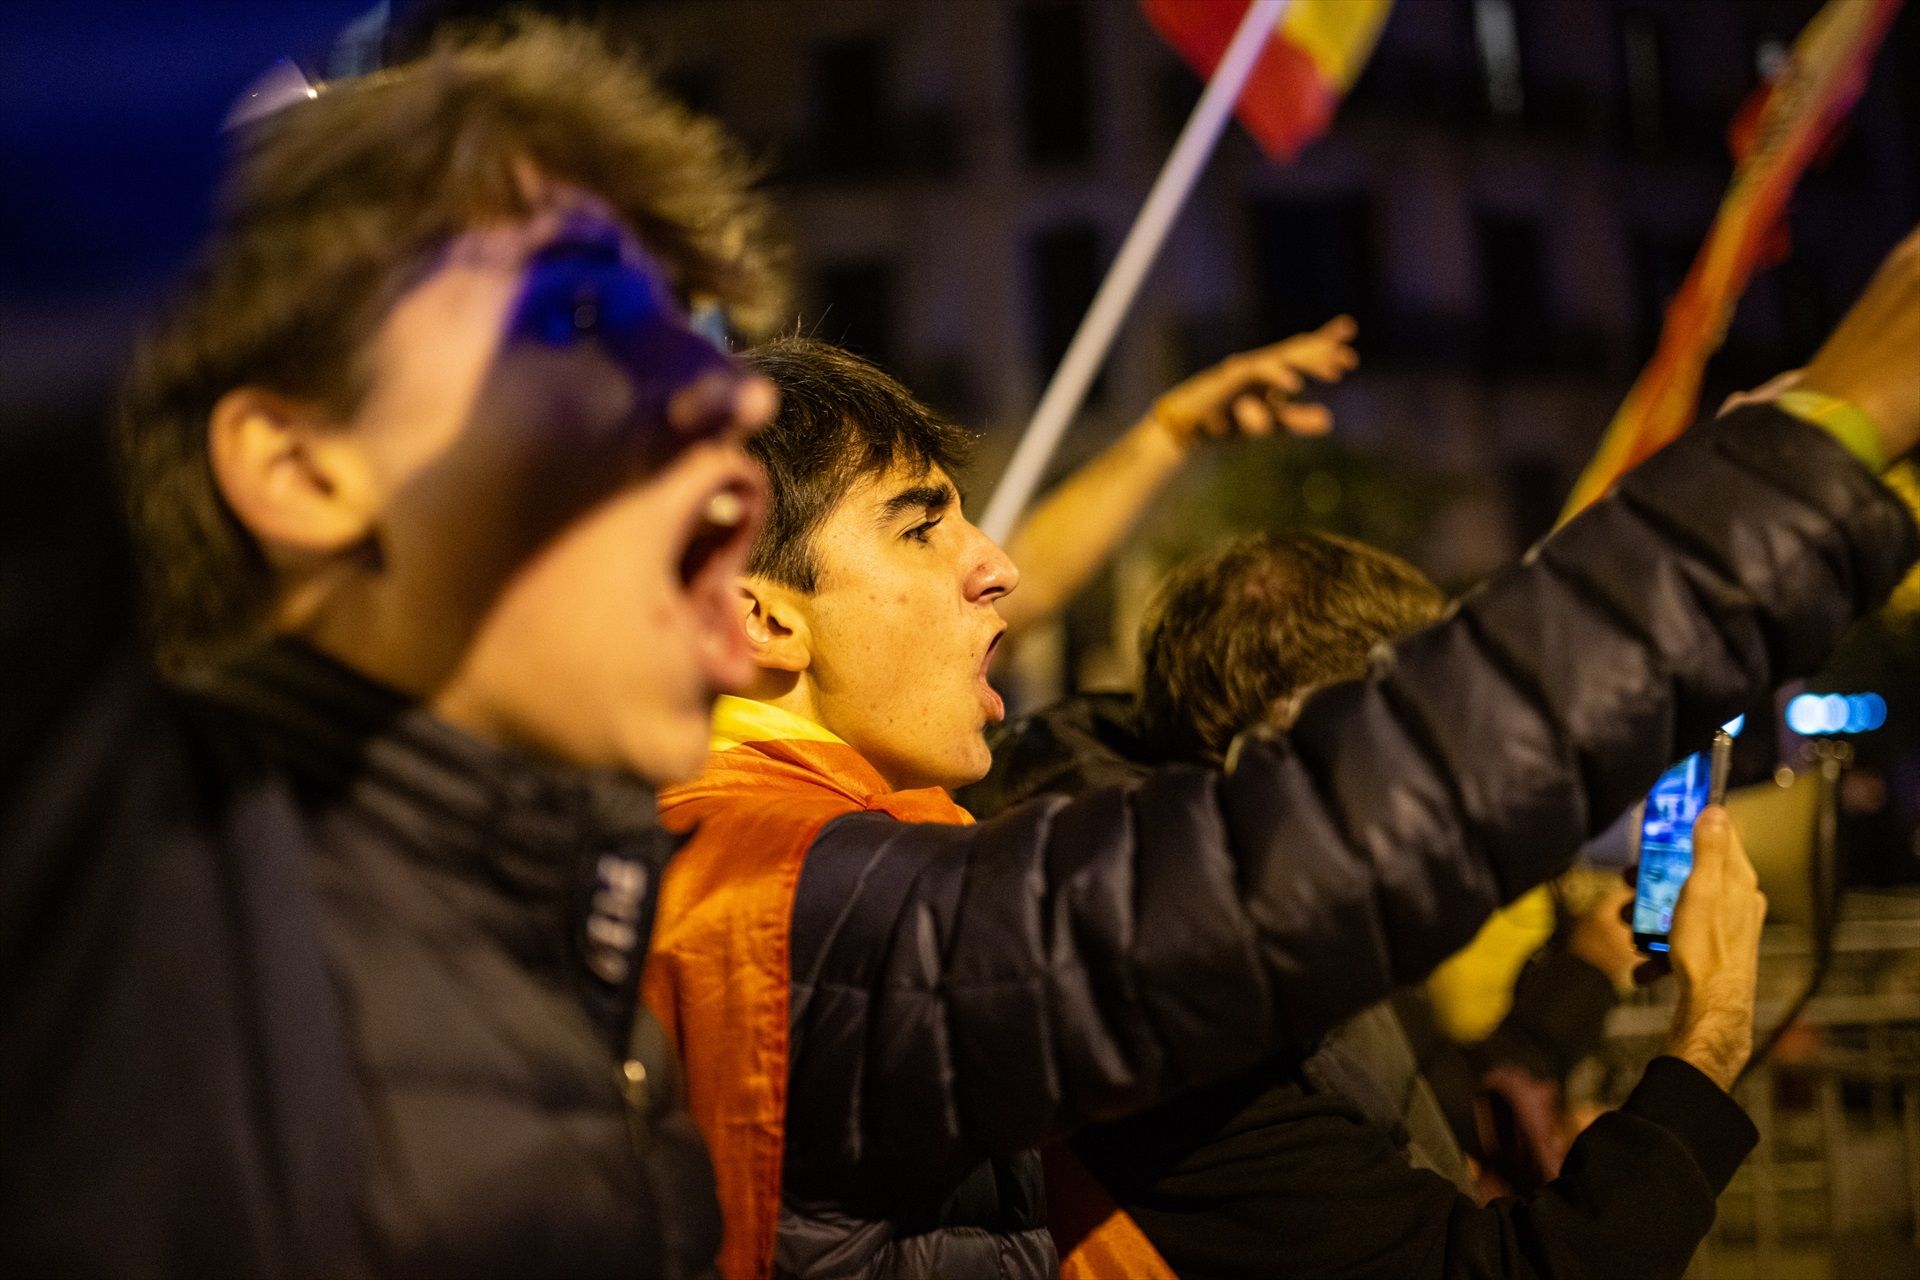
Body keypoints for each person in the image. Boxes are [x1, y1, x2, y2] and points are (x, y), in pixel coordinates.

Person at [643, 223, 1920, 1280]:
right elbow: (1315, 858)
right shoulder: (777, 904)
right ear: (761, 613)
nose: (999, 566)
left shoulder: (812, 855)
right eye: (923, 527)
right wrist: (1816, 448)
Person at [1, 21, 783, 1277]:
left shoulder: (560, 924)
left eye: (691, 327)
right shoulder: (137, 933)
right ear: (304, 469)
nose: (744, 394)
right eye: (587, 310)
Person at [966, 530, 1764, 1277]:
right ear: (1309, 735)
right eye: (1420, 734)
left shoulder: (1258, 907)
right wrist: (1714, 1026)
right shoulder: (1187, 994)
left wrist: (1584, 975)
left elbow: (1413, 1109)